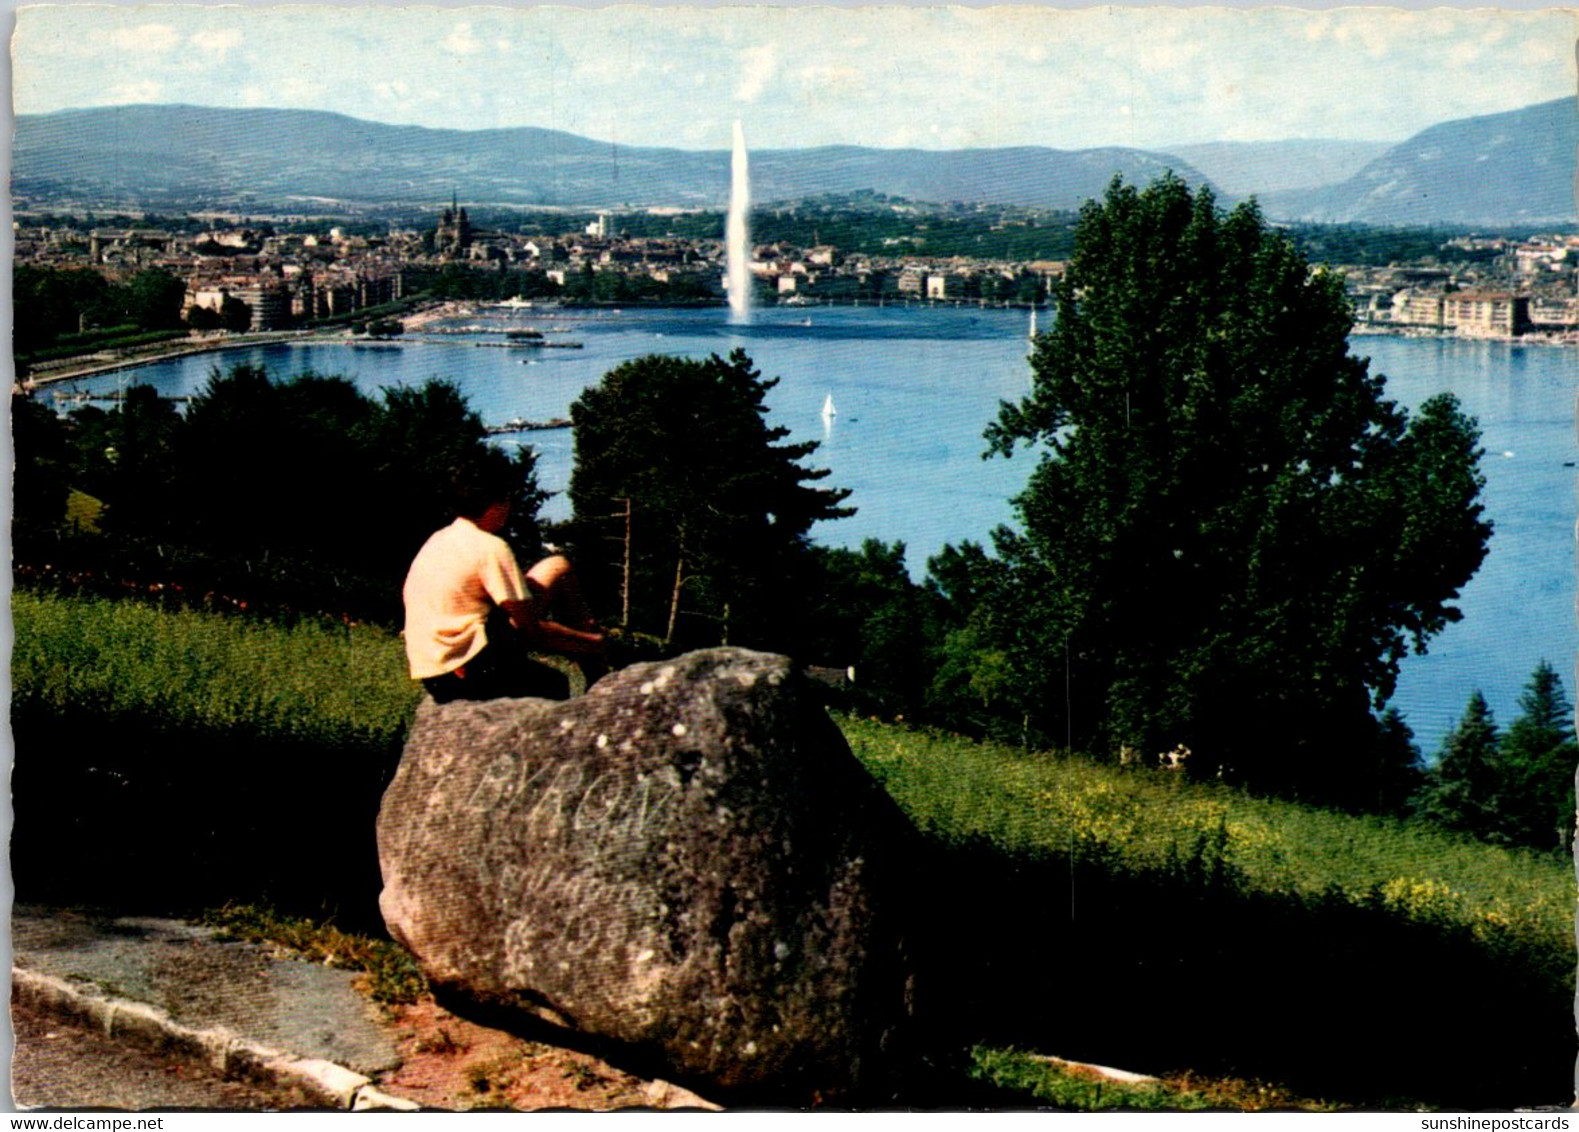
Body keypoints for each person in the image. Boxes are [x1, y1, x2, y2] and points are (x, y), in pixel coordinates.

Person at [403, 458, 606, 703]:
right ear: (495, 506)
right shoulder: (490, 548)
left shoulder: (439, 540)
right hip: (466, 670)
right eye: (508, 499)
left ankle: (597, 672)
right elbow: (532, 630)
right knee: (553, 683)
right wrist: (594, 643)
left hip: (433, 671)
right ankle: (598, 674)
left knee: (558, 566)